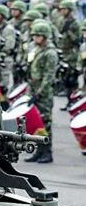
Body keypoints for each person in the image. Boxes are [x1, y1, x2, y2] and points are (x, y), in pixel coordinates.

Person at [24, 22, 58, 163]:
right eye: (34, 35)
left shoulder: (50, 53)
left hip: (44, 93)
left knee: (45, 122)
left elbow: (49, 76)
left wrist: (39, 93)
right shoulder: (34, 48)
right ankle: (38, 149)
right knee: (35, 121)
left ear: (44, 37)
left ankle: (47, 151)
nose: (35, 38)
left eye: (38, 36)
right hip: (33, 88)